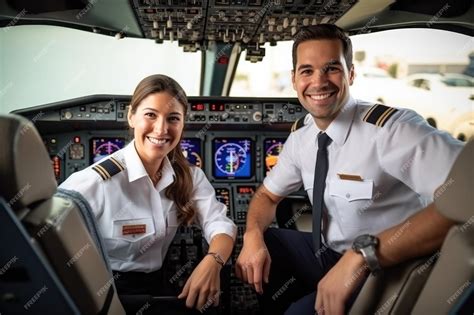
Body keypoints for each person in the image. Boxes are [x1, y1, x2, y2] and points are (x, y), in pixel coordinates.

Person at [235, 24, 464, 315]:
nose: (318, 82)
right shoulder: (302, 137)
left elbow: (465, 196)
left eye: (332, 68)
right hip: (330, 253)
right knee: (269, 240)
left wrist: (362, 254)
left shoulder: (392, 130)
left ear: (351, 74)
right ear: (294, 79)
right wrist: (252, 235)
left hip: (388, 266)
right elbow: (267, 196)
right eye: (307, 71)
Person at [60, 74, 236, 314]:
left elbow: (221, 226)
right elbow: (46, 240)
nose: (161, 129)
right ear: (131, 116)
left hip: (158, 283)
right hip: (110, 292)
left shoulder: (189, 177)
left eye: (173, 118)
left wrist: (212, 262)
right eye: (150, 115)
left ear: (183, 123)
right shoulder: (96, 183)